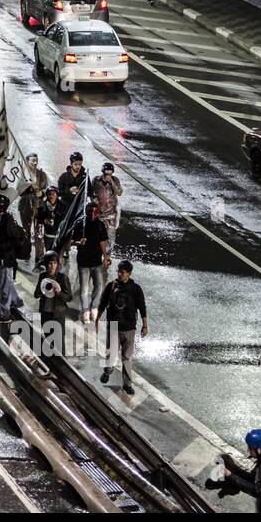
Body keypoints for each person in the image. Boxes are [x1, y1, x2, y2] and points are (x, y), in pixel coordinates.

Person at [95, 260, 147, 395]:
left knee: (127, 358)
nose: (119, 274)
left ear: (129, 273)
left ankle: (127, 384)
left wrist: (145, 325)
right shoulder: (111, 286)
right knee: (111, 355)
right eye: (118, 271)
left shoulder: (136, 289)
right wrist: (97, 319)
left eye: (122, 272)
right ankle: (107, 371)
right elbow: (102, 303)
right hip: (113, 327)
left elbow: (142, 307)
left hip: (129, 328)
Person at [0, 194, 27, 320]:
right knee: (7, 281)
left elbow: (14, 241)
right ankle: (15, 301)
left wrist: (0, 246)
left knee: (3, 285)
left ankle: (4, 313)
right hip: (0, 256)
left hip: (6, 258)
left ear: (2, 207)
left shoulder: (7, 221)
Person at [74, 202, 110, 322]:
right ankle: (85, 310)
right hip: (83, 262)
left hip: (96, 262)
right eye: (90, 211)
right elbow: (73, 241)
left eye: (95, 211)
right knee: (84, 289)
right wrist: (80, 242)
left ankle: (94, 307)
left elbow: (103, 241)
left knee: (99, 286)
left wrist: (105, 256)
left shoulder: (100, 225)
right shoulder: (80, 224)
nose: (92, 214)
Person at [33, 250, 72, 355]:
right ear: (46, 265)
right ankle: (51, 364)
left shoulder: (62, 278)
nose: (52, 266)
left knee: (59, 343)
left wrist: (59, 293)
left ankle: (63, 365)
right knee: (48, 340)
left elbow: (69, 297)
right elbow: (36, 294)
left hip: (58, 314)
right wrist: (42, 289)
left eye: (55, 263)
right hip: (45, 313)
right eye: (50, 263)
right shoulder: (42, 276)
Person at [91, 162, 124, 252]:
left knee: (110, 236)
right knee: (97, 235)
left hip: (111, 214)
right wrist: (94, 202)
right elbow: (91, 193)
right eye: (106, 173)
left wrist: (112, 182)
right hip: (99, 213)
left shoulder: (115, 180)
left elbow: (119, 192)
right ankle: (97, 252)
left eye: (110, 173)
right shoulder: (96, 180)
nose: (108, 175)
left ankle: (108, 254)